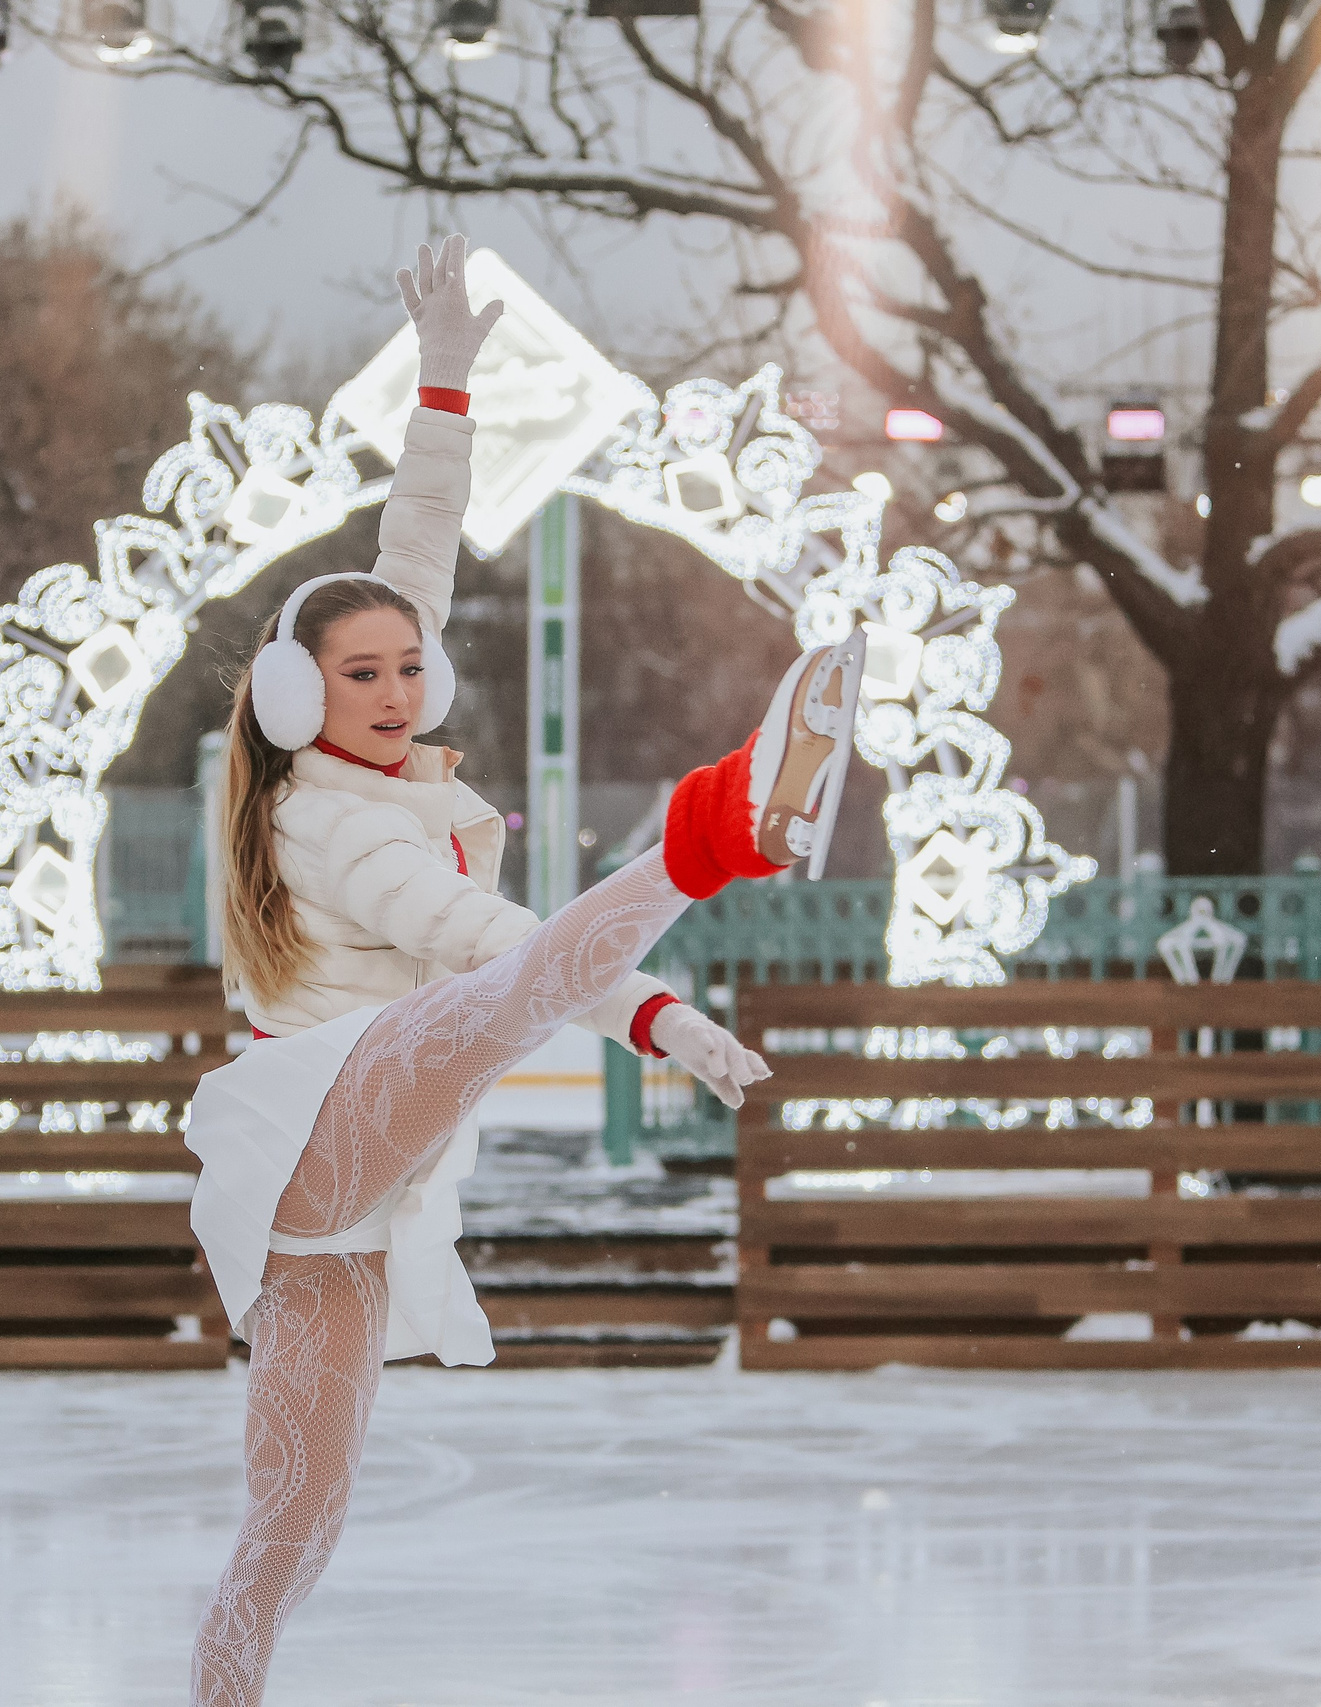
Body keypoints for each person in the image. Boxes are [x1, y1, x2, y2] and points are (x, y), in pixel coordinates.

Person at [183, 234, 867, 1707]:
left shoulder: (394, 748)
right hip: (316, 1117)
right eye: (358, 677)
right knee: (486, 1006)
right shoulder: (325, 821)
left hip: (341, 1219)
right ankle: (715, 830)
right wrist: (655, 1009)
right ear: (297, 698)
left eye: (406, 669)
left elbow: (418, 531)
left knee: (295, 1520)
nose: (393, 693)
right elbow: (483, 947)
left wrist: (443, 378)